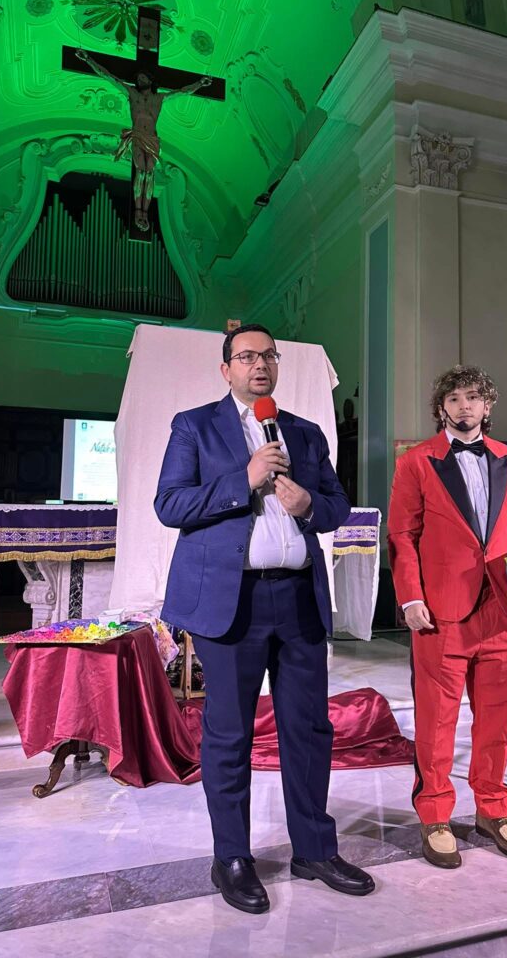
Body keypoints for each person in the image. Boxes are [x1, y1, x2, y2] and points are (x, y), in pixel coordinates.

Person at [154, 323, 374, 915]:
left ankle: (315, 850)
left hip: (298, 599)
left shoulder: (303, 431)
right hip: (233, 604)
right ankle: (232, 857)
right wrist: (243, 480)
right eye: (247, 356)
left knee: (309, 729)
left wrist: (311, 505)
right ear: (226, 368)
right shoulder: (194, 426)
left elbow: (336, 505)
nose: (259, 365)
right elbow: (169, 504)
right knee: (229, 734)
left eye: (268, 356)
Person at [387, 365, 507, 868]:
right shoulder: (415, 462)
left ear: (487, 405)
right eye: (454, 398)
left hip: (503, 610)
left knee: (498, 720)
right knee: (437, 721)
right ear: (442, 408)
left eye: (473, 397)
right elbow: (402, 536)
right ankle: (435, 816)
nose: (464, 406)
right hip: (440, 612)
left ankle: (493, 810)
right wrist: (410, 598)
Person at [75, 49, 211, 231]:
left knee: (149, 173)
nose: (139, 80)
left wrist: (200, 83)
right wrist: (88, 59)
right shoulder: (132, 94)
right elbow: (109, 77)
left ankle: (144, 212)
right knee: (141, 172)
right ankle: (139, 211)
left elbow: (182, 92)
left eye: (143, 78)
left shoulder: (160, 98)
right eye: (138, 79)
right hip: (138, 135)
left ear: (150, 80)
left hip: (152, 139)